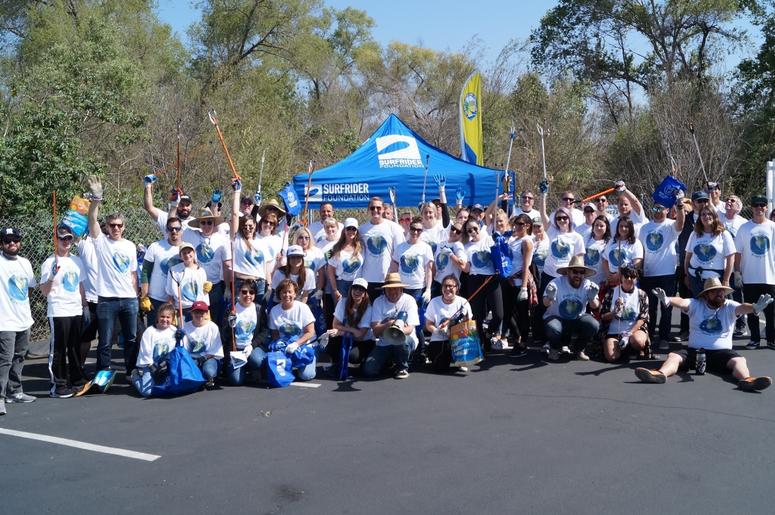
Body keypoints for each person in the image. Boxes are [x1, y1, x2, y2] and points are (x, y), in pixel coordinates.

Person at [635, 279, 773, 392]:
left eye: (721, 291)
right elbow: (682, 302)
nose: (719, 294)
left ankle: (747, 380)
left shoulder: (729, 305)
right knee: (674, 356)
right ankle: (660, 374)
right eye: (715, 292)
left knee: (739, 361)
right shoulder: (696, 304)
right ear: (706, 295)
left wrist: (754, 308)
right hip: (695, 352)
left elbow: (742, 307)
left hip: (722, 353)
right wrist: (667, 299)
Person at [87, 176, 139, 388]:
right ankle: (103, 376)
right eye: (112, 225)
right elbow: (91, 220)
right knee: (105, 342)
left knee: (131, 340)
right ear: (107, 227)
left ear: (124, 227)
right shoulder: (101, 243)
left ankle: (131, 372)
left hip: (129, 299)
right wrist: (96, 200)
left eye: (119, 225)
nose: (115, 228)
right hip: (107, 299)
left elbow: (133, 272)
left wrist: (137, 296)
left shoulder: (130, 246)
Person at [40, 225, 88, 398]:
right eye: (63, 238)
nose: (66, 241)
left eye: (69, 238)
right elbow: (44, 291)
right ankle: (58, 386)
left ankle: (77, 381)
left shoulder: (77, 261)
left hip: (75, 310)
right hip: (58, 310)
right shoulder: (49, 262)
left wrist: (85, 306)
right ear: (56, 240)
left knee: (74, 347)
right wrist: (52, 276)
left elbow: (80, 285)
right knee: (58, 349)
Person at [0, 227, 37, 414]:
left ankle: (15, 391)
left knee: (19, 356)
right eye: (7, 240)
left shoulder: (25, 263)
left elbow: (29, 288)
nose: (12, 243)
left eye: (15, 240)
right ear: (1, 244)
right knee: (4, 359)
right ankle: (0, 397)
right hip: (4, 320)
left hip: (23, 319)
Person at [639, 200, 685, 350]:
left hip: (667, 273)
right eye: (655, 207)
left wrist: (679, 207)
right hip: (649, 273)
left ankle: (664, 338)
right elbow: (641, 250)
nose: (658, 211)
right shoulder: (644, 228)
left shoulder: (671, 225)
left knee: (666, 307)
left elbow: (681, 223)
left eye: (661, 208)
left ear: (667, 210)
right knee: (650, 308)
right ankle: (649, 336)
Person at [734, 194, 775, 350]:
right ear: (751, 207)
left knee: (771, 312)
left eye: (762, 205)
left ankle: (771, 339)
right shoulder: (744, 228)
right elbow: (738, 252)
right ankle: (754, 339)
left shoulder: (772, 227)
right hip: (750, 277)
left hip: (770, 277)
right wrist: (737, 272)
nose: (759, 208)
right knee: (752, 310)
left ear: (766, 207)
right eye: (756, 205)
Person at [363, 272, 420, 379]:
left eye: (396, 288)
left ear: (401, 289)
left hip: (405, 339)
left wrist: (397, 330)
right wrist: (389, 324)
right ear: (384, 290)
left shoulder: (409, 300)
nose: (393, 291)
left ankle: (402, 367)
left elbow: (410, 328)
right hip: (384, 342)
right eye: (389, 289)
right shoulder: (378, 302)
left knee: (400, 341)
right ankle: (390, 359)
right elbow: (375, 331)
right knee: (369, 370)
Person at [543, 256, 600, 361]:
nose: (578, 275)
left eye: (581, 272)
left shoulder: (587, 284)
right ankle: (554, 348)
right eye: (575, 272)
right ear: (568, 272)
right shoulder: (556, 283)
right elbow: (545, 304)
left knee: (593, 325)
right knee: (553, 328)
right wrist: (550, 297)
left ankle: (579, 349)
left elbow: (595, 306)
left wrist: (592, 298)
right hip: (557, 318)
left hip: (577, 319)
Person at [462, 218, 504, 352]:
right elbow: (467, 268)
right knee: (477, 316)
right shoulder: (467, 247)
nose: (473, 232)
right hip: (475, 280)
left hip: (491, 278)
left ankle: (488, 333)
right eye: (469, 230)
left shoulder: (489, 239)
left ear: (480, 227)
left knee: (499, 315)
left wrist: (500, 243)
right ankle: (480, 342)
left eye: (475, 228)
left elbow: (500, 255)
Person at [184, 207, 230, 326]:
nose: (206, 225)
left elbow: (226, 265)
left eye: (209, 222)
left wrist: (227, 288)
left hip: (214, 285)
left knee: (214, 319)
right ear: (199, 224)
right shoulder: (191, 235)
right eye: (203, 222)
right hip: (196, 285)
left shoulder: (221, 239)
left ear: (214, 224)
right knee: (197, 318)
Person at [267, 278, 317, 381]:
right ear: (279, 294)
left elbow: (310, 332)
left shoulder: (303, 308)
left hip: (304, 345)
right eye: (284, 292)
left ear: (295, 294)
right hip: (285, 346)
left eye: (290, 292)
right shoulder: (274, 311)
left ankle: (314, 357)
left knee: (306, 375)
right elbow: (275, 334)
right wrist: (281, 346)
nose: (287, 295)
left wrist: (296, 344)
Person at [229, 180, 271, 299]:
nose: (248, 229)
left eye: (251, 226)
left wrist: (269, 285)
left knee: (258, 315)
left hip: (259, 284)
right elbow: (235, 215)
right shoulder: (237, 239)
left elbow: (266, 266)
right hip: (241, 283)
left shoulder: (261, 242)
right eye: (245, 226)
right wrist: (237, 192)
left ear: (255, 227)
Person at [599, 266, 649, 363]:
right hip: (613, 332)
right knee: (611, 357)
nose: (629, 279)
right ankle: (622, 350)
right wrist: (614, 312)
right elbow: (603, 316)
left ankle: (634, 348)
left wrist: (629, 334)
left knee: (638, 341)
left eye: (632, 277)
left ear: (636, 279)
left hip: (633, 331)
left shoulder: (642, 294)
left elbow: (643, 318)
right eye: (626, 276)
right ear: (621, 278)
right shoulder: (611, 292)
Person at [424, 274, 473, 373]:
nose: (448, 288)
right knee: (440, 367)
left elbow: (469, 326)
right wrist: (437, 331)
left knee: (466, 338)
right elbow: (428, 324)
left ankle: (461, 360)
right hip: (439, 338)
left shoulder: (463, 302)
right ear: (441, 288)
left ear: (457, 288)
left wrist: (465, 318)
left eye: (451, 286)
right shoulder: (434, 302)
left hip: (458, 338)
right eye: (445, 286)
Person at [359, 196, 406, 300]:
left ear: (383, 209)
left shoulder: (394, 227)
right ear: (368, 210)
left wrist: (395, 275)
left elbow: (400, 253)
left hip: (388, 278)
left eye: (378, 208)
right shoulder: (362, 229)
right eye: (372, 208)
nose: (375, 210)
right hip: (368, 278)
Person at [140, 216, 183, 327]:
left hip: (178, 300)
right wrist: (144, 296)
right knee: (154, 331)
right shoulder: (155, 247)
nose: (174, 231)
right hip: (156, 299)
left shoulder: (186, 249)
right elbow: (145, 272)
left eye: (177, 228)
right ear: (166, 230)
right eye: (170, 228)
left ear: (181, 230)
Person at [326, 278, 374, 377]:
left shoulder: (368, 308)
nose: (357, 291)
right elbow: (335, 325)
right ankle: (336, 364)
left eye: (361, 289)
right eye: (355, 288)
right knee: (331, 340)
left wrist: (342, 331)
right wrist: (350, 330)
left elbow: (360, 335)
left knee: (353, 357)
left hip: (364, 341)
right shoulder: (343, 302)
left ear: (365, 293)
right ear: (351, 289)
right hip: (348, 336)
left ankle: (363, 361)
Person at [684, 206, 735, 296]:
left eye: (709, 214)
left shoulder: (723, 234)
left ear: (715, 216)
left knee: (716, 306)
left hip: (715, 281)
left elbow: (731, 259)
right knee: (698, 307)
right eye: (703, 214)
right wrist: (687, 275)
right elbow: (688, 257)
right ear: (700, 218)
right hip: (695, 278)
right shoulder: (694, 234)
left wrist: (726, 280)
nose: (706, 216)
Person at [130, 302, 179, 397]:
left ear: (173, 319)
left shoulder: (174, 331)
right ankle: (135, 376)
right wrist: (151, 366)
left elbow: (177, 350)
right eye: (162, 316)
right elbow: (145, 351)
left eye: (168, 317)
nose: (165, 319)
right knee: (147, 392)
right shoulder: (150, 331)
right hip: (150, 364)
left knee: (173, 387)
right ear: (157, 317)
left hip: (166, 365)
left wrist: (181, 338)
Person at [224, 279, 266, 386]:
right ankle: (241, 367)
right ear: (239, 292)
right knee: (236, 380)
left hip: (251, 348)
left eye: (251, 292)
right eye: (244, 292)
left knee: (257, 360)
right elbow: (223, 332)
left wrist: (252, 345)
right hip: (236, 349)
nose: (248, 295)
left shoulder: (258, 309)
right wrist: (229, 324)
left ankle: (253, 368)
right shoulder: (231, 308)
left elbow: (265, 331)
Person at [506, 214, 534, 356]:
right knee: (508, 313)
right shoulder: (513, 239)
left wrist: (524, 287)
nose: (517, 225)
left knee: (522, 314)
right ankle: (516, 338)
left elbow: (525, 266)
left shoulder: (526, 241)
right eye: (516, 223)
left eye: (521, 223)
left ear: (527, 226)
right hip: (509, 281)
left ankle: (522, 342)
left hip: (519, 282)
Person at [183, 300, 223, 389]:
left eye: (202, 312)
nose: (199, 315)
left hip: (208, 358)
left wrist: (203, 358)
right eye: (196, 312)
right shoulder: (185, 327)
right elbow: (184, 349)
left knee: (209, 372)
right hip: (192, 358)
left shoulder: (213, 327)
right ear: (191, 313)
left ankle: (209, 377)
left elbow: (216, 351)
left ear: (206, 313)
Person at [166, 242, 210, 320]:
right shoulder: (174, 271)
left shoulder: (201, 271)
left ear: (194, 253)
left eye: (189, 252)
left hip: (198, 308)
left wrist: (207, 311)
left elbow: (205, 294)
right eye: (184, 253)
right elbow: (170, 295)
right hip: (182, 309)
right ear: (180, 256)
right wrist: (172, 313)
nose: (187, 255)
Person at [327, 217, 364, 302]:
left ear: (357, 231)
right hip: (341, 284)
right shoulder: (334, 248)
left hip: (357, 284)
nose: (351, 231)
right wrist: (335, 290)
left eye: (354, 229)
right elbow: (330, 271)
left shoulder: (362, 247)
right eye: (348, 228)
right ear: (344, 230)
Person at [603, 216, 644, 287]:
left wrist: (620, 275)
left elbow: (637, 264)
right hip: (612, 281)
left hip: (627, 281)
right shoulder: (612, 241)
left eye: (626, 226)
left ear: (631, 228)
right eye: (621, 226)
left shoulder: (636, 243)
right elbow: (605, 259)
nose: (623, 228)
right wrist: (608, 274)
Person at [432, 222, 467, 298]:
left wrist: (451, 255)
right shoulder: (440, 244)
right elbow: (434, 265)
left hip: (450, 285)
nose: (454, 232)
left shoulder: (458, 245)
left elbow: (463, 266)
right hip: (437, 282)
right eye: (453, 229)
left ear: (461, 235)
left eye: (458, 232)